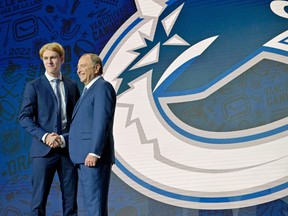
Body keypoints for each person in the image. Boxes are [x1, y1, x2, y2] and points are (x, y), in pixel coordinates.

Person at [18, 42, 80, 216]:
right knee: (38, 203)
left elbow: (78, 119)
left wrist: (64, 138)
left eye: (53, 57)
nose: (49, 62)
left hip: (67, 151)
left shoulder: (72, 85)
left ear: (62, 59)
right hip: (43, 151)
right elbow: (24, 117)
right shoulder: (34, 86)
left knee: (71, 203)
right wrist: (45, 136)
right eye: (45, 58)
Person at [68, 53, 116, 216]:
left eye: (83, 65)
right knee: (90, 205)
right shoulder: (88, 91)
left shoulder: (102, 87)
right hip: (83, 157)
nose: (78, 70)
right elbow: (83, 127)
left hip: (93, 157)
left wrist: (95, 151)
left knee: (95, 206)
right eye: (77, 67)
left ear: (96, 68)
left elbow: (101, 122)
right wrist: (62, 139)